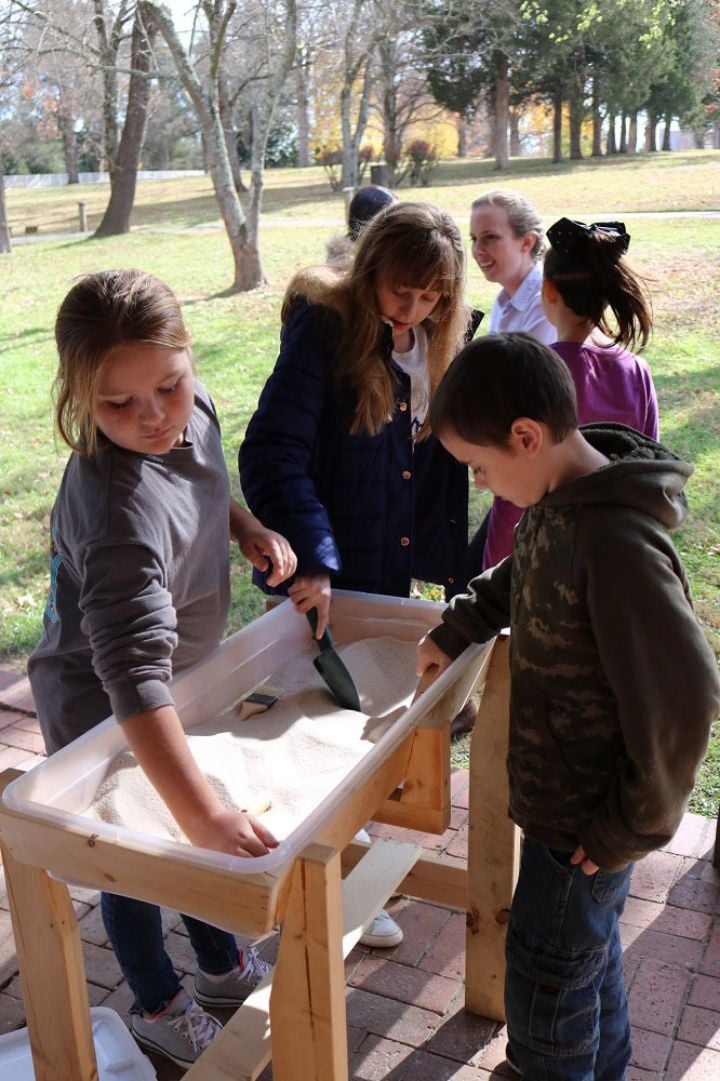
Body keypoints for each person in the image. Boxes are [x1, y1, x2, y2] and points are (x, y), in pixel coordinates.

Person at [417, 333, 720, 1081]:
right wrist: (459, 623)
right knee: (586, 958)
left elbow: (687, 694)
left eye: (481, 468)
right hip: (565, 810)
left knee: (546, 975)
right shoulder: (560, 498)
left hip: (587, 824)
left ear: (526, 437)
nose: (484, 483)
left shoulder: (614, 538)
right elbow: (522, 572)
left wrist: (629, 826)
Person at [28, 269, 297, 1069]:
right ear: (80, 396)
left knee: (191, 834)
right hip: (106, 702)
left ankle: (219, 966)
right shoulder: (115, 512)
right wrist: (207, 821)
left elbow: (201, 481)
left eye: (169, 387)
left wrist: (242, 523)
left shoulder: (192, 406)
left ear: (186, 359)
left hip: (177, 673)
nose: (153, 418)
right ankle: (156, 1001)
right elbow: (131, 680)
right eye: (118, 405)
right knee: (140, 855)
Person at [240, 202, 478, 946]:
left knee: (377, 716)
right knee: (327, 721)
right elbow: (273, 453)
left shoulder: (447, 334)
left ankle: (354, 854)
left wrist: (449, 561)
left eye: (431, 296)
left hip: (393, 557)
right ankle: (325, 873)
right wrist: (313, 557)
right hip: (336, 563)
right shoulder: (324, 329)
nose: (413, 310)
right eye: (400, 293)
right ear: (371, 271)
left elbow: (433, 460)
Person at [481, 215, 659, 571]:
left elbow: (511, 487)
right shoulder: (636, 371)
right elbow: (648, 468)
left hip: (543, 556)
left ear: (548, 290)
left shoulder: (531, 372)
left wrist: (494, 570)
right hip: (615, 549)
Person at [469, 189, 555, 346]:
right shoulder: (505, 299)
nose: (477, 251)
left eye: (490, 237)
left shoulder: (545, 304)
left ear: (527, 242)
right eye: (474, 239)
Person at [325, 184, 398, 265]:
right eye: (391, 217)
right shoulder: (343, 268)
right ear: (370, 221)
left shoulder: (384, 253)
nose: (398, 222)